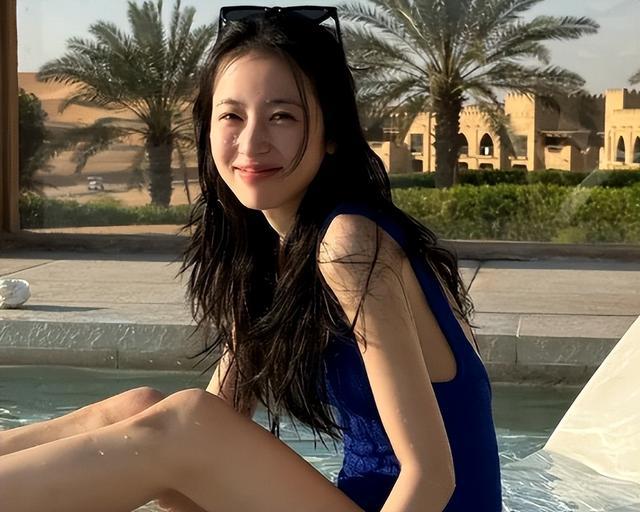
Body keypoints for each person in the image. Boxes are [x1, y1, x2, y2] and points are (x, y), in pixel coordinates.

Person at [0, 5, 502, 512]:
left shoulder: (351, 244)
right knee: (142, 408)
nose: (252, 141)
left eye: (282, 116)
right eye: (232, 116)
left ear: (331, 133)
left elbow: (432, 476)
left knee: (185, 420)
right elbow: (223, 415)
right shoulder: (274, 251)